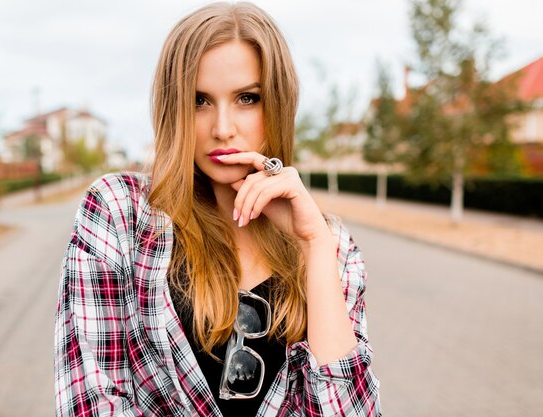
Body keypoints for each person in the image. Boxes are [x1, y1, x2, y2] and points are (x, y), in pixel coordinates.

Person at [54, 2, 381, 416]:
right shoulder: (121, 214)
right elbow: (93, 403)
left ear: (277, 104)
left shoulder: (333, 246)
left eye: (247, 98)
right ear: (174, 109)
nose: (223, 127)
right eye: (199, 101)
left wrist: (313, 245)